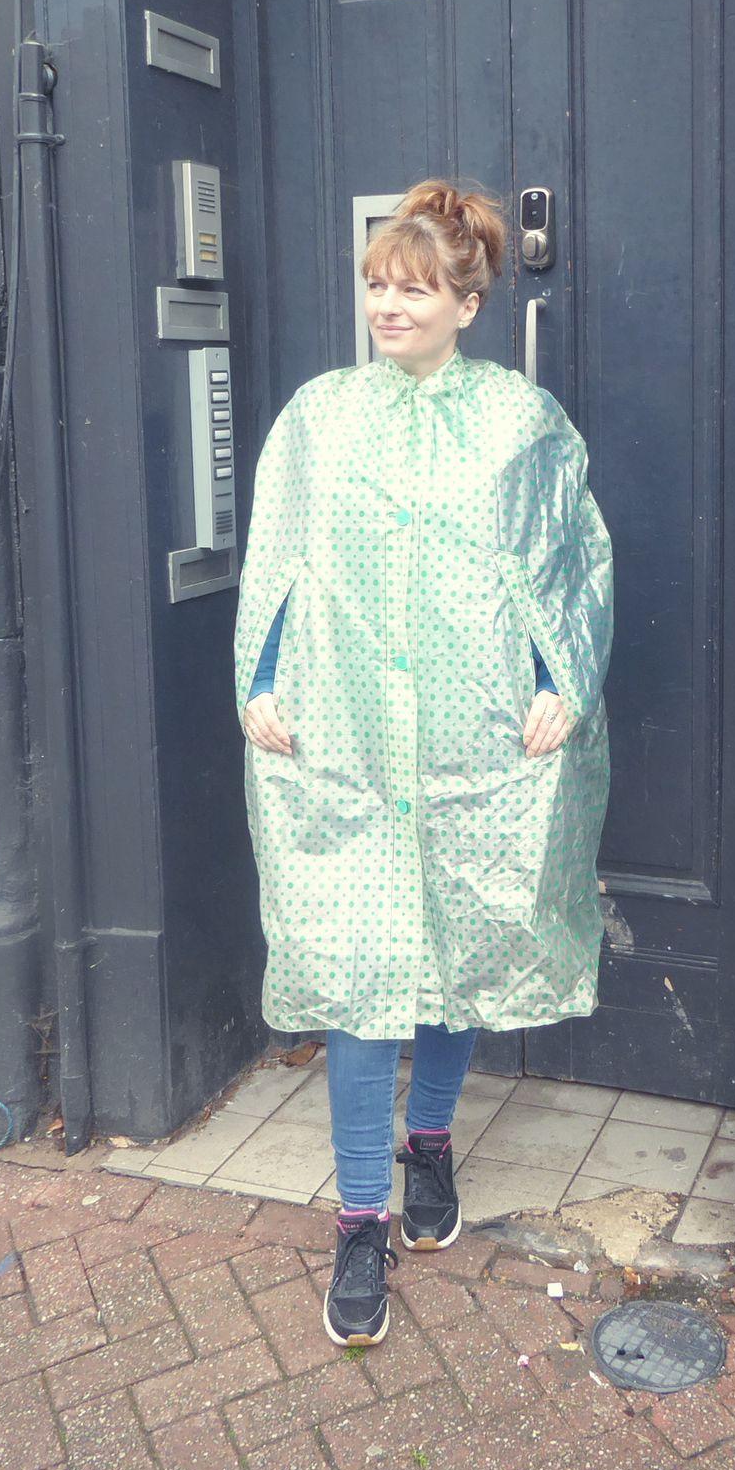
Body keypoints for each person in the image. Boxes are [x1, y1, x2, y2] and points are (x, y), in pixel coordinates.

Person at [233, 179, 614, 1348]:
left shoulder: (519, 421)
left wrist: (562, 679)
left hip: (473, 728)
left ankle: (430, 1137)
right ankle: (361, 1216)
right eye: (376, 285)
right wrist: (261, 677)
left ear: (468, 301)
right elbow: (279, 550)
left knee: (456, 944)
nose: (388, 306)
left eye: (413, 287)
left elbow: (569, 556)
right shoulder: (319, 415)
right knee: (356, 969)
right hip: (345, 729)